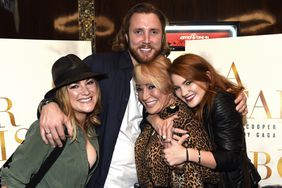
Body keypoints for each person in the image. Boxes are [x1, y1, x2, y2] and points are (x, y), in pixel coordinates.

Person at [38, 3, 248, 188]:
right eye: (138, 32)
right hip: (104, 180)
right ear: (127, 35)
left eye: (154, 32)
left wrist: (234, 96)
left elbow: (203, 90)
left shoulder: (170, 72)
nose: (146, 40)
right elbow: (69, 91)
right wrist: (48, 105)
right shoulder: (100, 66)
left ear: (163, 37)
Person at [0, 54, 102, 187]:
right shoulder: (51, 127)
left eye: (89, 82)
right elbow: (12, 180)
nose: (85, 91)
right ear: (62, 93)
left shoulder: (90, 129)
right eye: (74, 86)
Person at [162, 53, 261, 187]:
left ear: (207, 77)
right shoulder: (194, 103)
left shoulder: (219, 101)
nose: (184, 92)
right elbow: (154, 108)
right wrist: (154, 119)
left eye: (188, 82)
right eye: (177, 88)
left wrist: (186, 154)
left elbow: (232, 158)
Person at [133, 55, 220, 187]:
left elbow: (213, 176)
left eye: (151, 86)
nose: (144, 96)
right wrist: (153, 119)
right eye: (139, 89)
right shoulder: (156, 116)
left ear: (168, 86)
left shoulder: (182, 120)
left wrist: (180, 166)